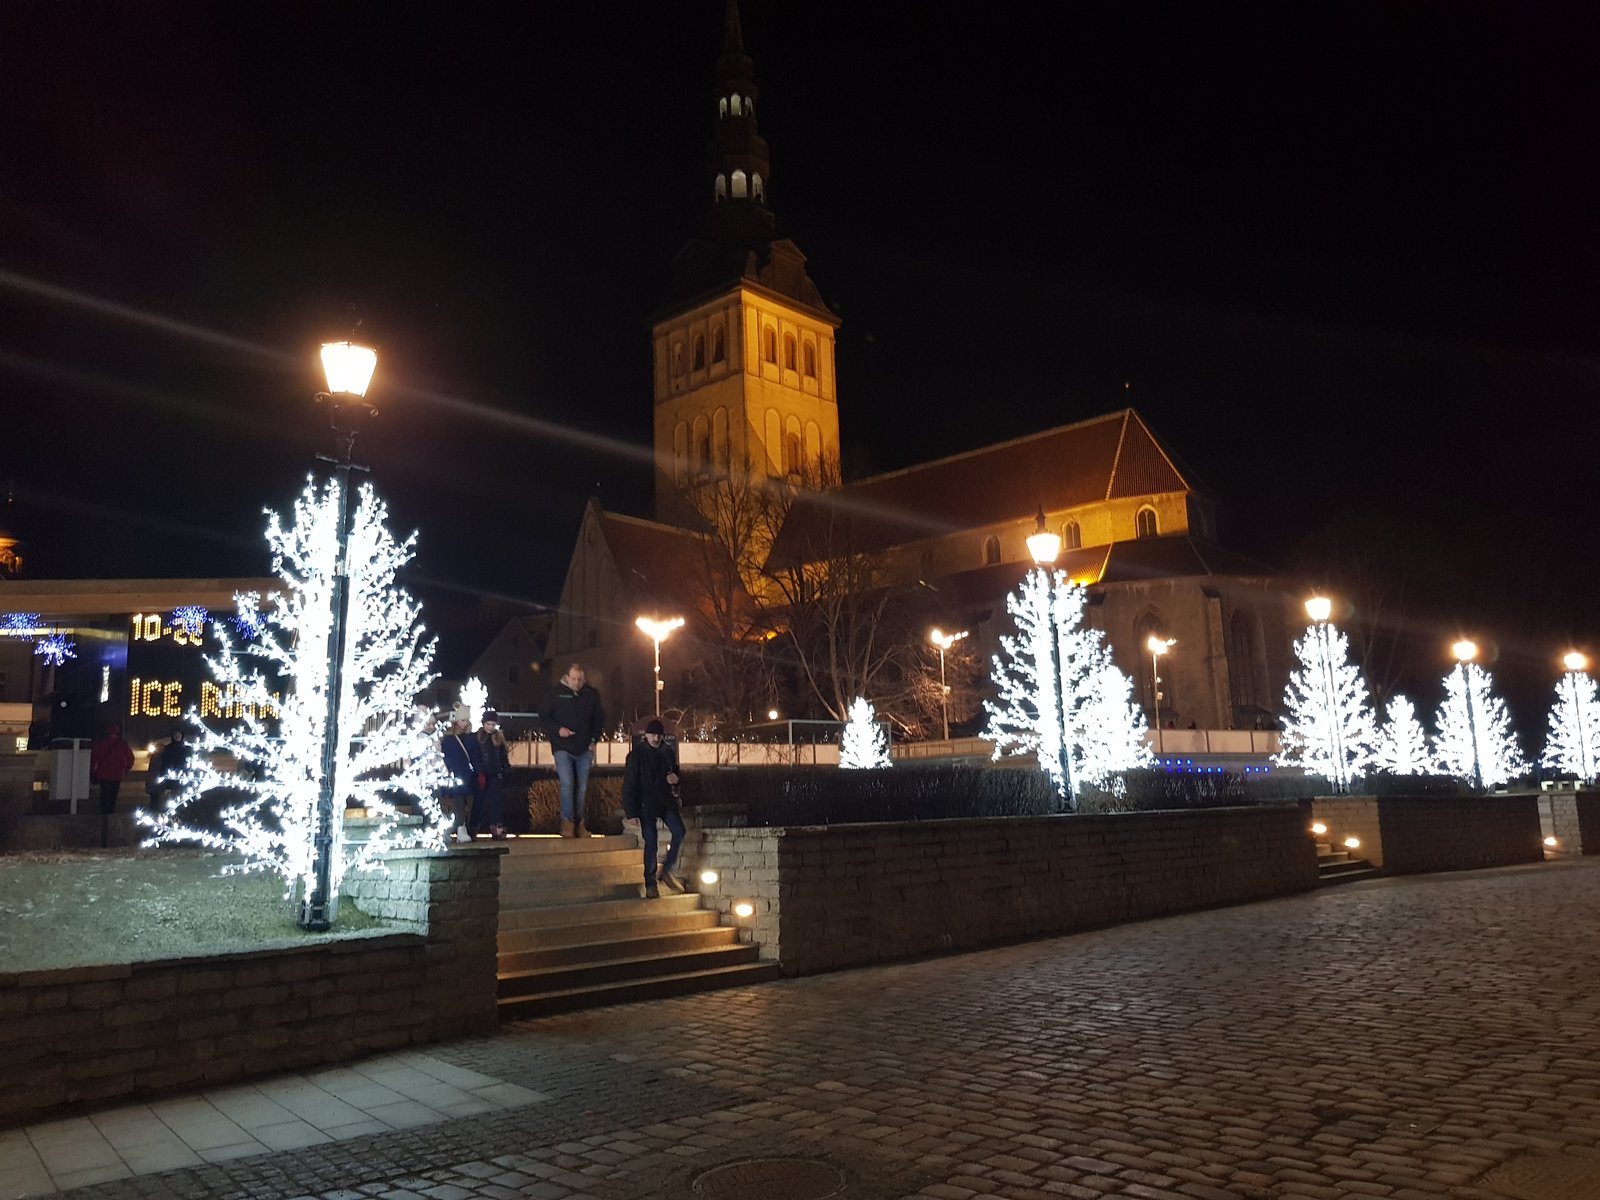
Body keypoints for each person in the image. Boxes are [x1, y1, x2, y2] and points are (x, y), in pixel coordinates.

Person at [621, 718, 686, 899]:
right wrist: (631, 812)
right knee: (651, 842)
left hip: (664, 801)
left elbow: (674, 771)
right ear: (647, 736)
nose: (656, 739)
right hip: (646, 804)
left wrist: (676, 778)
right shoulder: (637, 756)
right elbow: (629, 785)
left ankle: (665, 870)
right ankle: (650, 882)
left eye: (659, 735)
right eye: (653, 735)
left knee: (679, 831)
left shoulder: (667, 752)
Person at [542, 663, 605, 837]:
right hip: (562, 746)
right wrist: (558, 730)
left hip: (585, 748)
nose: (576, 683)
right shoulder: (555, 694)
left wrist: (594, 740)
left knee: (582, 787)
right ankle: (567, 822)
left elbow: (599, 719)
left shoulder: (591, 695)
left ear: (583, 678)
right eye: (574, 679)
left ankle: (579, 823)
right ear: (567, 677)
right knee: (567, 783)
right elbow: (544, 717)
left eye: (580, 679)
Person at [439, 706, 482, 843]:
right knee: (458, 801)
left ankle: (459, 828)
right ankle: (460, 828)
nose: (465, 723)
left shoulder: (467, 737)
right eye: (463, 720)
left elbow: (475, 756)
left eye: (467, 720)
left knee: (466, 802)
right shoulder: (450, 738)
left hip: (465, 774)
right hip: (456, 774)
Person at [475, 709, 511, 840]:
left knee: (496, 803)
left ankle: (497, 827)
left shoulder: (498, 738)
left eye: (493, 724)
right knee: (480, 803)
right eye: (488, 724)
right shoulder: (478, 737)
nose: (490, 727)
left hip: (495, 774)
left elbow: (503, 756)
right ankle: (475, 827)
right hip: (482, 775)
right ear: (483, 723)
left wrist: (505, 769)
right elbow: (476, 755)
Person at [89, 723, 134, 814]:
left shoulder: (101, 744)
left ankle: (104, 813)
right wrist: (125, 769)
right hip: (117, 774)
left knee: (105, 795)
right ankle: (110, 813)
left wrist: (93, 771)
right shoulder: (122, 744)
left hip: (104, 774)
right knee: (113, 796)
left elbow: (94, 758)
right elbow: (130, 758)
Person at [146, 727, 191, 804]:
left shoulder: (187, 749)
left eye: (179, 735)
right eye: (175, 735)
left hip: (184, 776)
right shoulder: (167, 750)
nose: (177, 737)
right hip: (171, 776)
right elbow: (163, 765)